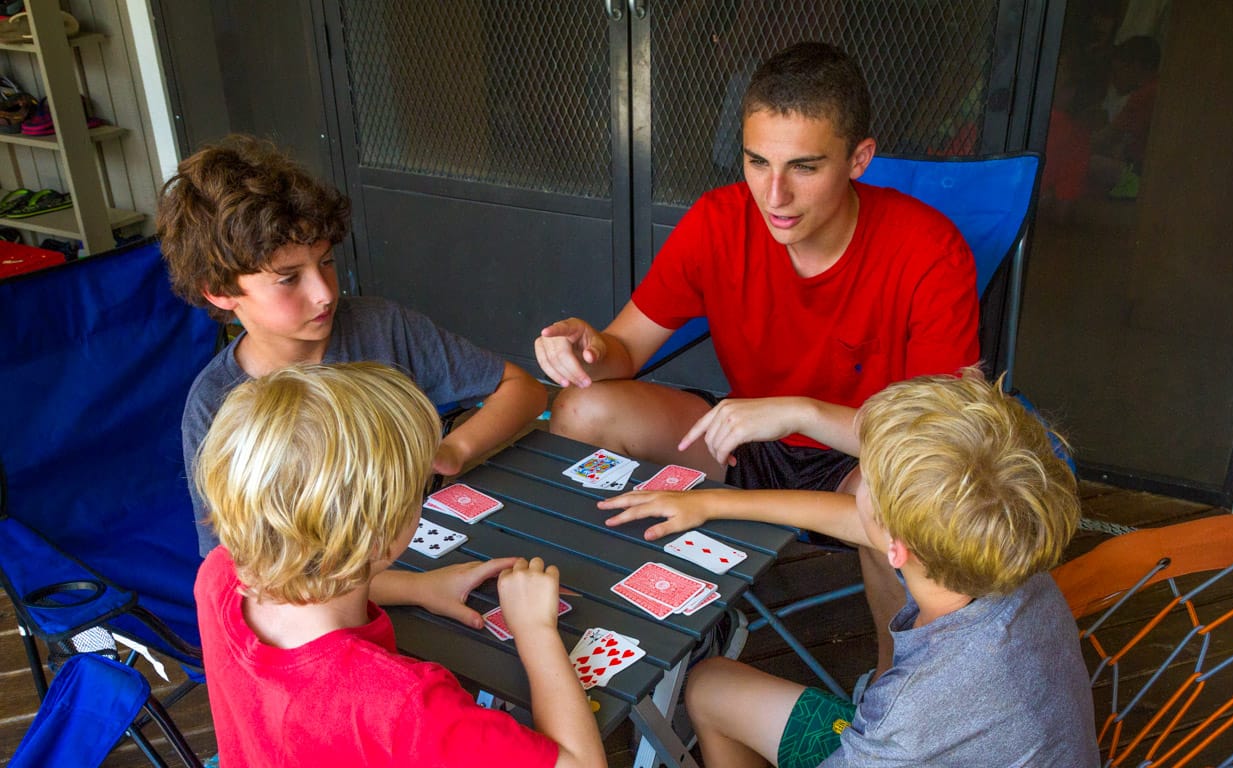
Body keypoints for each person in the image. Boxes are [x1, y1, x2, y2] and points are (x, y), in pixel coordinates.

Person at [534, 41, 979, 672]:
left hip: (863, 463)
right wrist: (586, 347)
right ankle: (601, 629)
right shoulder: (718, 221)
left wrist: (797, 411)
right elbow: (623, 351)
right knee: (582, 406)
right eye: (755, 161)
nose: (774, 195)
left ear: (859, 159)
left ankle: (891, 692)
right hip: (744, 441)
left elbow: (935, 443)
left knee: (899, 496)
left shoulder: (929, 250)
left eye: (804, 167)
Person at [600, 368, 1097, 766]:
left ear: (896, 549)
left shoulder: (906, 715)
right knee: (708, 686)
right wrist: (715, 503)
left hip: (898, 740)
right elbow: (870, 525)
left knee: (706, 687)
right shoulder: (1007, 549)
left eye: (866, 483)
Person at [159, 134, 547, 616]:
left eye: (326, 262)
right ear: (219, 292)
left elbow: (524, 390)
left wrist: (452, 450)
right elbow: (245, 574)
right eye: (289, 278)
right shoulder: (214, 403)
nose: (324, 293)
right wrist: (410, 587)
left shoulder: (381, 325)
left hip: (430, 549)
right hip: (327, 610)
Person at [192, 362, 606, 767]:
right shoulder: (405, 707)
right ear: (380, 535)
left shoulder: (218, 574)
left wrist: (415, 586)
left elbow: (307, 580)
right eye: (419, 489)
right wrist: (535, 630)